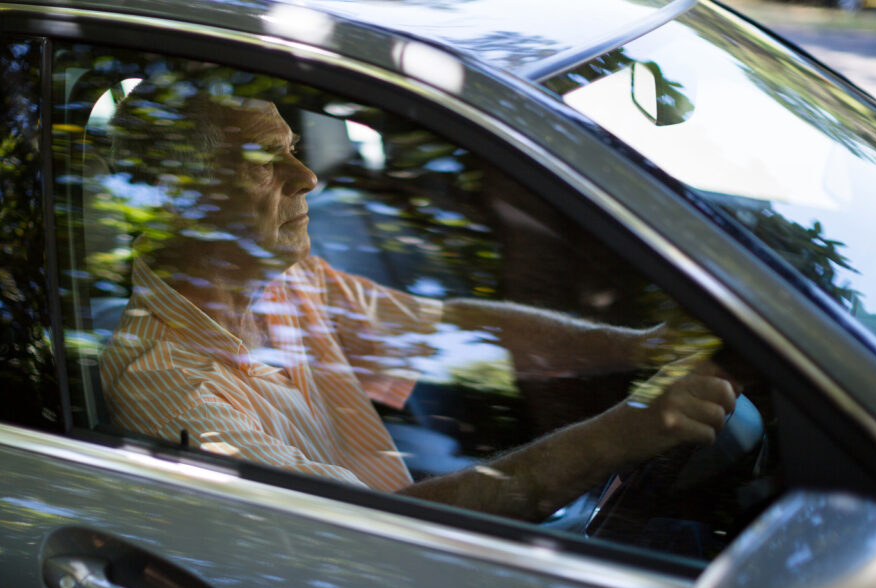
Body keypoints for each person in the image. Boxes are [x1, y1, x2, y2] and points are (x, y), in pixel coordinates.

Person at [99, 85, 738, 522]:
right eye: (265, 163)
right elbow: (372, 529)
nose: (308, 178)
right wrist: (626, 432)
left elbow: (455, 331)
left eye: (293, 149)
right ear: (184, 200)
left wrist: (640, 347)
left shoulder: (284, 281)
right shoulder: (172, 387)